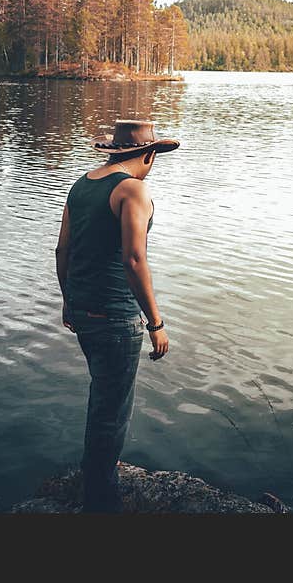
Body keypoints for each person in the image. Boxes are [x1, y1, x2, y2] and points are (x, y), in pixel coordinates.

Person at [55, 118, 180, 513]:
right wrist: (156, 323)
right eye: (154, 155)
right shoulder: (134, 190)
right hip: (116, 318)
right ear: (147, 154)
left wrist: (68, 300)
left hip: (83, 311)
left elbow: (62, 251)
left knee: (102, 401)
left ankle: (94, 483)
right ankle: (101, 501)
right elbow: (134, 258)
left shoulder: (82, 184)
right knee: (112, 413)